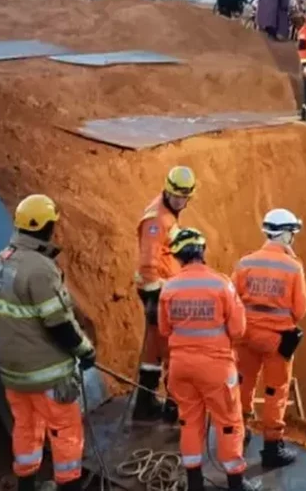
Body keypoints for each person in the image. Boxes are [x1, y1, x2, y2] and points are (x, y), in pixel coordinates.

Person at [0, 194, 95, 491]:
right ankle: (69, 486)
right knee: (66, 431)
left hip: (13, 374)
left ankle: (27, 486)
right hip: (48, 374)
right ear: (47, 227)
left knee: (26, 429)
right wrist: (85, 351)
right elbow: (58, 322)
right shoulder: (40, 269)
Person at [159, 228, 259, 491]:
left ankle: (194, 484)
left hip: (180, 368)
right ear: (202, 252)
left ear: (179, 257)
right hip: (216, 367)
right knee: (228, 424)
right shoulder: (221, 284)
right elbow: (238, 330)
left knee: (189, 422)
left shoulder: (169, 287)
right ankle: (235, 483)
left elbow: (164, 329)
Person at [232, 209, 306, 468]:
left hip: (245, 336)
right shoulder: (293, 266)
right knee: (275, 391)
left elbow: (232, 299)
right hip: (277, 340)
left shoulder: (245, 263)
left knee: (243, 384)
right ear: (285, 234)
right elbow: (300, 307)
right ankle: (272, 447)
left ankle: (237, 435)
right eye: (292, 233)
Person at [133, 166, 197, 421]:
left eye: (184, 197)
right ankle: (173, 406)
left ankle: (145, 403)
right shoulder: (157, 220)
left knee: (154, 348)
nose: (179, 201)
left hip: (162, 291)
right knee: (173, 347)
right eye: (176, 196)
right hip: (159, 293)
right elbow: (148, 263)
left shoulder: (166, 213)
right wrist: (153, 299)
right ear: (167, 191)